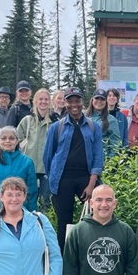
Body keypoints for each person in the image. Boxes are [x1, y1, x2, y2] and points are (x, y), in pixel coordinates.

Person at [43, 87, 104, 251]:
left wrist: (92, 184)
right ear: (66, 103)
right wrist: (54, 178)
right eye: (70, 101)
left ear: (82, 102)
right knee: (64, 222)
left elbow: (98, 156)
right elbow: (48, 157)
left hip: (86, 178)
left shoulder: (93, 127)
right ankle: (63, 260)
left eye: (77, 100)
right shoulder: (57, 127)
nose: (74, 104)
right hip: (63, 180)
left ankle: (92, 252)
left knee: (96, 217)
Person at [17, 88, 57, 212]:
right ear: (35, 101)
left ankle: (43, 227)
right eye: (40, 99)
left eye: (46, 99)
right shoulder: (27, 121)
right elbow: (16, 139)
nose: (43, 102)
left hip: (47, 167)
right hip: (29, 166)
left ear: (50, 102)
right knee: (27, 198)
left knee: (45, 201)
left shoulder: (55, 122)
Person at [86, 88, 123, 159]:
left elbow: (116, 145)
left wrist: (109, 164)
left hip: (101, 161)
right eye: (97, 98)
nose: (99, 101)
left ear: (106, 102)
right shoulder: (82, 116)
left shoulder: (111, 120)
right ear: (92, 100)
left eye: (102, 99)